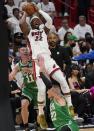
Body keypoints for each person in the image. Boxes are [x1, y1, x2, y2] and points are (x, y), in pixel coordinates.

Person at [19, 4, 73, 129]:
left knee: (63, 80)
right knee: (42, 89)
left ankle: (70, 106)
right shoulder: (29, 33)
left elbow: (49, 20)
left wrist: (38, 10)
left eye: (38, 20)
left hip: (48, 60)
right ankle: (41, 114)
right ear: (31, 24)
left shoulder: (44, 30)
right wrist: (26, 13)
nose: (37, 21)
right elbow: (22, 23)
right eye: (34, 21)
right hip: (37, 62)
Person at [38, 59, 79, 131]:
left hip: (68, 125)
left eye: (48, 91)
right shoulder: (52, 100)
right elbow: (48, 80)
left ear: (54, 92)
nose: (47, 92)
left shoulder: (59, 98)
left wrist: (41, 72)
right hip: (59, 128)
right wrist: (44, 68)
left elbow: (48, 84)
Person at [9, 45, 38, 131]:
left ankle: (38, 123)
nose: (25, 51)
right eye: (23, 50)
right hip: (27, 88)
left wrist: (30, 70)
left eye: (26, 49)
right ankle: (26, 127)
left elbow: (41, 70)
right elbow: (11, 77)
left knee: (39, 111)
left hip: (37, 88)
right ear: (19, 52)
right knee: (24, 104)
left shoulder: (34, 61)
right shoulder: (18, 65)